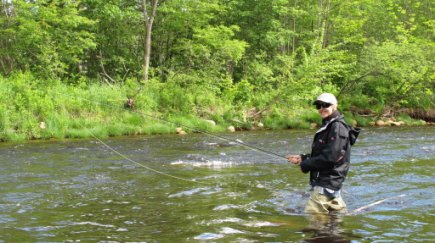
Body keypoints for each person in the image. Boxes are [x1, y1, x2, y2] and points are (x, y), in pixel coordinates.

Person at [287, 93, 360, 214]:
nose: (321, 108)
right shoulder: (329, 125)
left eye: (325, 105)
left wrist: (306, 165)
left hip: (327, 183)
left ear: (334, 106)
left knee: (314, 220)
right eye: (318, 106)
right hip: (330, 186)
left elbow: (330, 158)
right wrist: (303, 158)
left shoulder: (337, 127)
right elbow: (325, 153)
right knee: (335, 219)